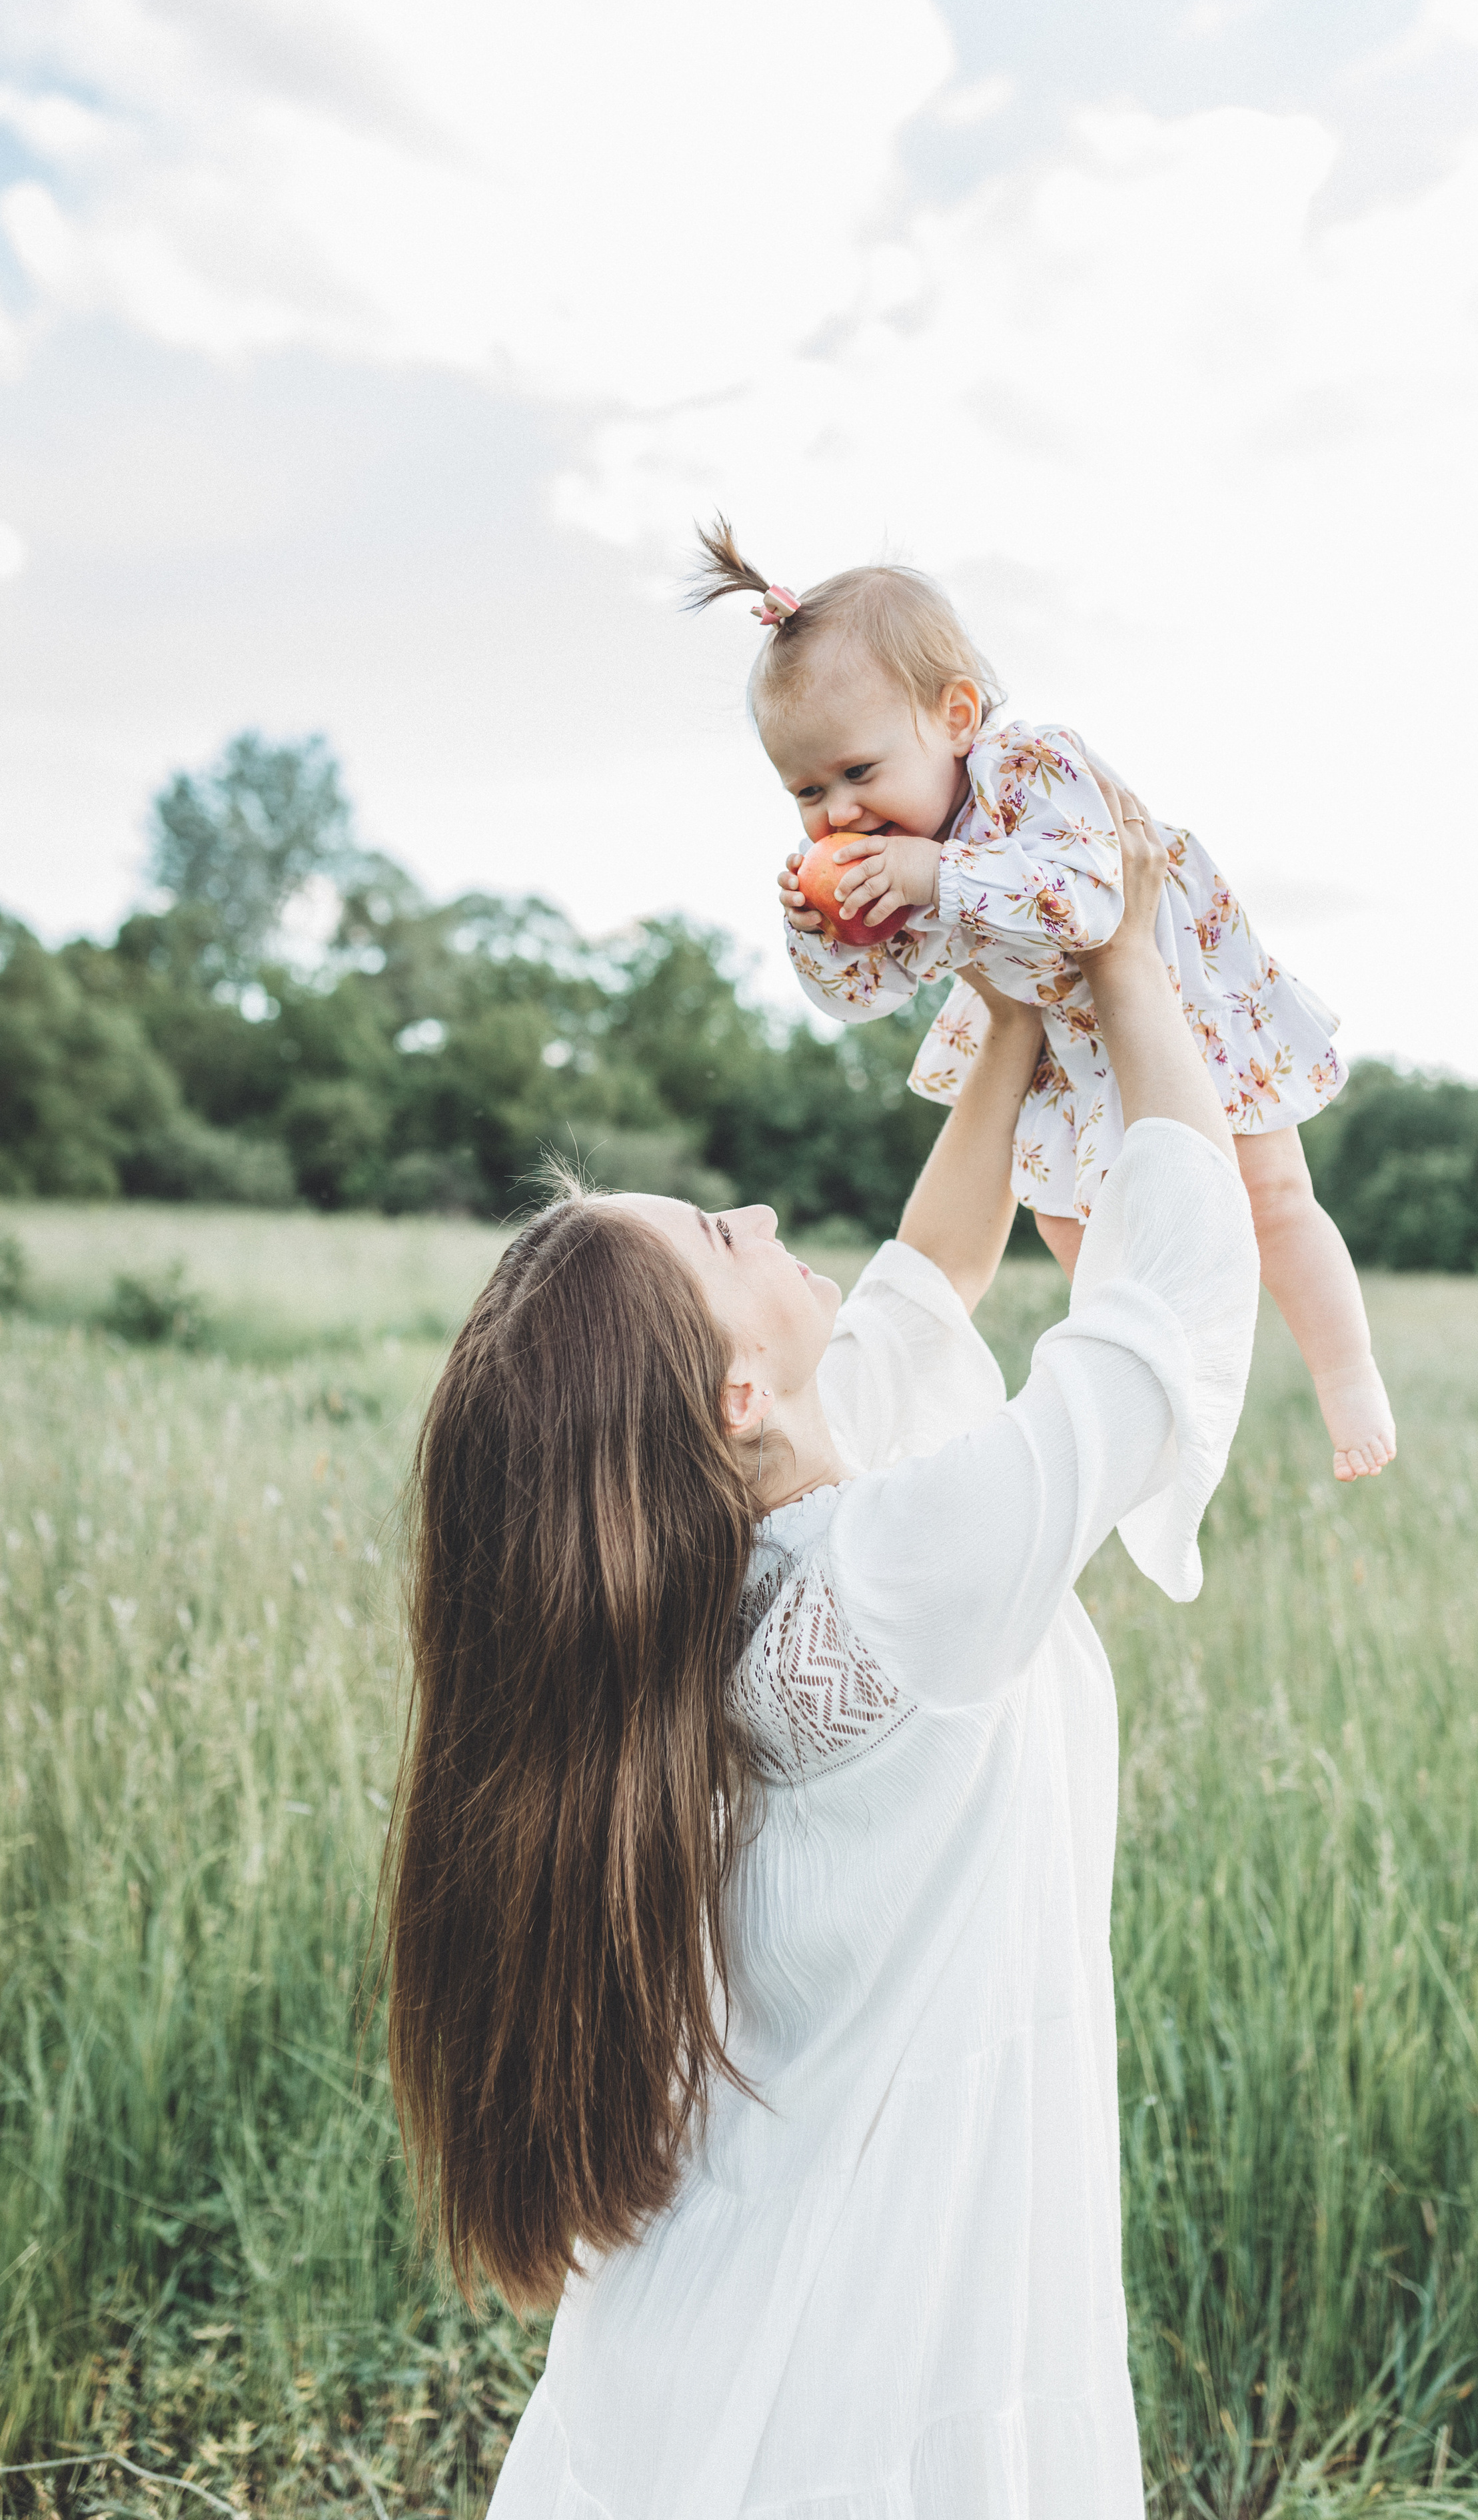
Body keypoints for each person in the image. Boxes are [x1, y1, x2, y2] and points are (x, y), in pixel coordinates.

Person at [382, 779, 1260, 2518]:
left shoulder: (740, 1573)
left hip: (768, 2312)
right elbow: (1152, 1346)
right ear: (733, 1395)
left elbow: (923, 1293)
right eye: (724, 1238)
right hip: (860, 2351)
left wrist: (1014, 1019)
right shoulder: (876, 1582)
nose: (773, 1224)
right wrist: (1141, 974)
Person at [687, 517, 1395, 1483]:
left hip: (1180, 998)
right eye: (807, 792)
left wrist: (937, 876)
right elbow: (865, 994)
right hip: (1065, 1048)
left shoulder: (1030, 771)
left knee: (1269, 1193)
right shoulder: (899, 855)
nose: (838, 814)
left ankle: (1348, 1376)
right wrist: (817, 937)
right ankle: (1158, 1390)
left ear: (957, 717)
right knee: (1074, 1228)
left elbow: (1095, 901)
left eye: (859, 771)